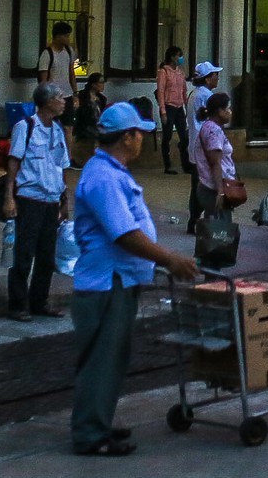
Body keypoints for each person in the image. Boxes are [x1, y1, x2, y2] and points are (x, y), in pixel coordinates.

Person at [69, 102, 198, 456]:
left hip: (119, 280)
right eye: (138, 133)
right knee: (102, 359)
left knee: (111, 357)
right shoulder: (104, 177)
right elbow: (124, 233)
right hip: (107, 282)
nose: (142, 139)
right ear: (127, 137)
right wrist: (170, 260)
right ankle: (90, 434)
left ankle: (98, 423)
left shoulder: (111, 172)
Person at [4, 82, 74, 322]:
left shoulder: (57, 130)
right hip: (30, 198)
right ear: (46, 102)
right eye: (59, 97)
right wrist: (9, 196)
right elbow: (13, 162)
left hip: (51, 198)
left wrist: (64, 200)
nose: (64, 101)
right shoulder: (25, 127)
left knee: (47, 255)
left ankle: (39, 301)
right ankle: (17, 304)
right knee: (23, 253)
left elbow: (62, 166)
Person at [183, 62, 223, 230]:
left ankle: (193, 220)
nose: (217, 78)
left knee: (196, 186)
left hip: (194, 146)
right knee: (205, 187)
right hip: (204, 149)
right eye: (214, 75)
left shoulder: (194, 93)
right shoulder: (207, 97)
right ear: (207, 78)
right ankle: (201, 223)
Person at [192, 91, 239, 228]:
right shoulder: (213, 131)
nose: (230, 112)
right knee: (221, 232)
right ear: (219, 111)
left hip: (208, 186)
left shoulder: (209, 127)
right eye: (228, 109)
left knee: (212, 229)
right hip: (213, 188)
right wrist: (220, 191)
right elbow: (215, 163)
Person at [154, 46, 190, 175]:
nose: (180, 58)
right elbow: (161, 92)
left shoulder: (180, 72)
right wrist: (163, 111)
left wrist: (187, 107)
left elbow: (184, 91)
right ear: (172, 57)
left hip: (179, 107)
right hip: (168, 107)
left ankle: (186, 164)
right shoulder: (164, 71)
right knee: (167, 136)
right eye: (178, 55)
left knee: (184, 137)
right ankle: (167, 165)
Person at [37, 23, 77, 93]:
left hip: (68, 93)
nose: (68, 39)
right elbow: (43, 80)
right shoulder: (47, 54)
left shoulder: (69, 51)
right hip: (53, 95)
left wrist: (75, 92)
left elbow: (72, 73)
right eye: (66, 36)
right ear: (58, 36)